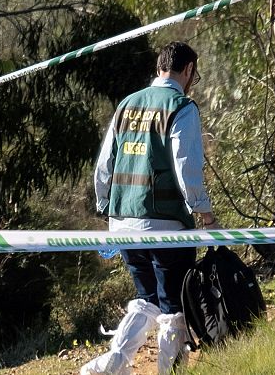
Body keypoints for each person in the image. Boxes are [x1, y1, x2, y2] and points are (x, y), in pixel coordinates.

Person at [82, 41, 217, 375]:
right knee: (172, 306)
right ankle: (171, 371)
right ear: (188, 70)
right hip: (165, 224)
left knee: (147, 298)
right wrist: (204, 212)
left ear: (159, 69)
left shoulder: (127, 104)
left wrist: (107, 205)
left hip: (122, 222)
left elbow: (104, 166)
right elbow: (186, 165)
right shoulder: (181, 106)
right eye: (194, 76)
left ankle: (112, 364)